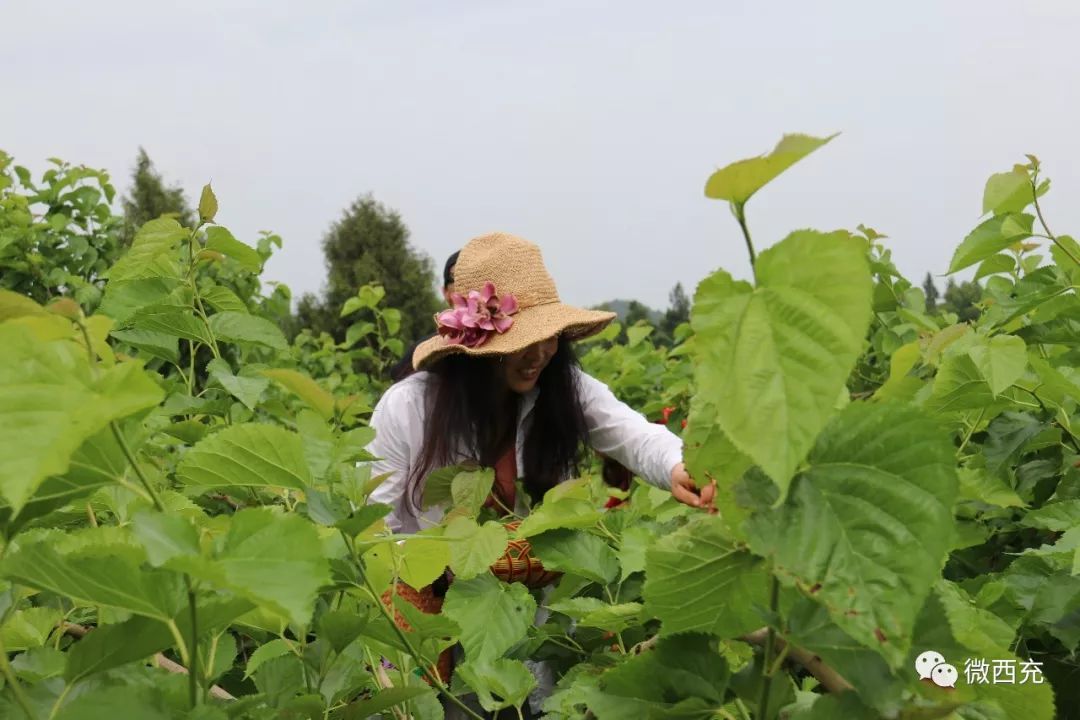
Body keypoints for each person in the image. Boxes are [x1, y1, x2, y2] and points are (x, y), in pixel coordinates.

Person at [367, 231, 714, 534]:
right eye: (520, 343)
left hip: (541, 606)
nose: (539, 355)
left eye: (549, 337)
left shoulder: (561, 386)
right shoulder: (409, 408)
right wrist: (432, 576)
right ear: (477, 349)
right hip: (423, 602)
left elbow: (632, 434)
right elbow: (373, 524)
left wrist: (677, 466)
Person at [388, 250, 460, 382]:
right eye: (457, 278)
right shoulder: (420, 356)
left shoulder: (508, 354)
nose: (467, 287)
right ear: (445, 293)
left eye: (475, 278)